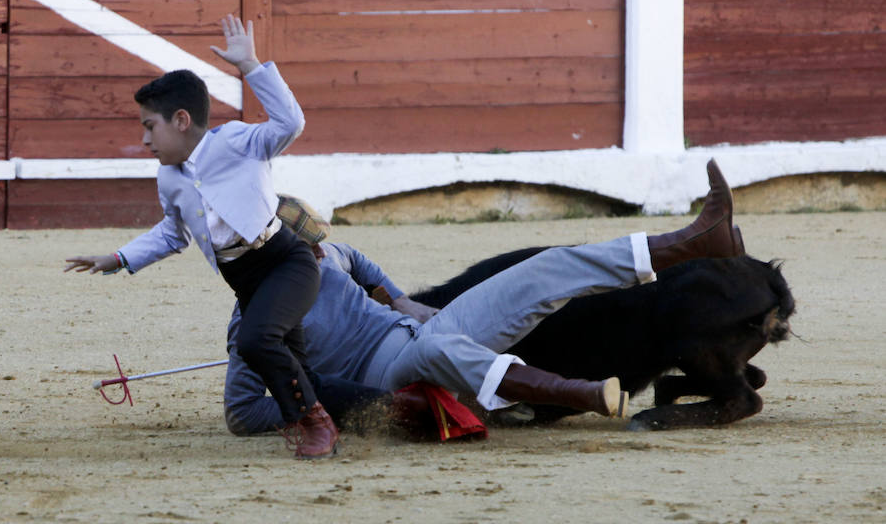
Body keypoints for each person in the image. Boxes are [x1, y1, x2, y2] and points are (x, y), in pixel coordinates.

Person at [224, 160, 745, 436]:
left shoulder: (329, 258)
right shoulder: (253, 320)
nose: (318, 257)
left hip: (425, 330)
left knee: (541, 267)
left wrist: (400, 300)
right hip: (390, 381)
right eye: (307, 250)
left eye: (314, 247)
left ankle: (693, 242)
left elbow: (359, 263)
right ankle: (576, 393)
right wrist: (331, 406)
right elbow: (243, 413)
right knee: (433, 352)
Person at [64, 15, 340, 459]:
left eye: (149, 126)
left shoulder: (236, 142)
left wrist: (251, 67)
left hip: (285, 261)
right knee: (301, 370)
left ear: (180, 119)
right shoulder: (169, 179)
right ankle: (371, 409)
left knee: (255, 342)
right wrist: (119, 257)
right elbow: (173, 235)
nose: (144, 138)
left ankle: (316, 426)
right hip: (245, 279)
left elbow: (290, 124)